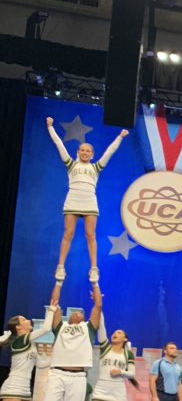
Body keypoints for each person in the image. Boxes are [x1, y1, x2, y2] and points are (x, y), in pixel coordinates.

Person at [21, 281, 102, 401]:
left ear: (83, 318)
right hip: (57, 373)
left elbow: (98, 305)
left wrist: (95, 283)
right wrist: (59, 281)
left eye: (81, 313)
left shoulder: (88, 328)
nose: (77, 313)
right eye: (75, 312)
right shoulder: (61, 327)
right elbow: (54, 302)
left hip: (79, 377)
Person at [46, 116, 129, 284]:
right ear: (78, 152)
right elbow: (59, 144)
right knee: (68, 233)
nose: (85, 152)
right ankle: (61, 266)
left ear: (92, 155)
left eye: (88, 151)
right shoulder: (71, 165)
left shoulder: (96, 168)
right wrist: (50, 127)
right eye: (82, 150)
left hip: (90, 202)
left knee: (90, 235)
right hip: (73, 201)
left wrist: (120, 137)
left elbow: (110, 152)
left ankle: (94, 268)